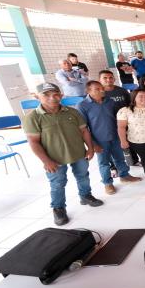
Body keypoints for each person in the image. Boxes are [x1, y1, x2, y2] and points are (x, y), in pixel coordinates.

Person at [24, 83, 103, 226]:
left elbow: (84, 131)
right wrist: (46, 161)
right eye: (46, 95)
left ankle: (85, 196)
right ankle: (58, 208)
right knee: (57, 183)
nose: (52, 98)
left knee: (83, 176)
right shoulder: (33, 117)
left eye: (55, 94)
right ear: (38, 97)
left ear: (61, 95)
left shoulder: (72, 112)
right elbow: (33, 142)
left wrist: (90, 148)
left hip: (78, 152)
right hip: (54, 158)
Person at [78, 81, 142, 195]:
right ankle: (107, 183)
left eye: (102, 88)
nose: (102, 90)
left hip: (115, 136)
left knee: (120, 158)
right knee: (104, 162)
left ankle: (124, 175)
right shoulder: (82, 105)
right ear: (89, 91)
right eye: (97, 89)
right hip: (99, 140)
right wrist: (93, 145)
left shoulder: (110, 101)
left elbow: (118, 119)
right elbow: (83, 129)